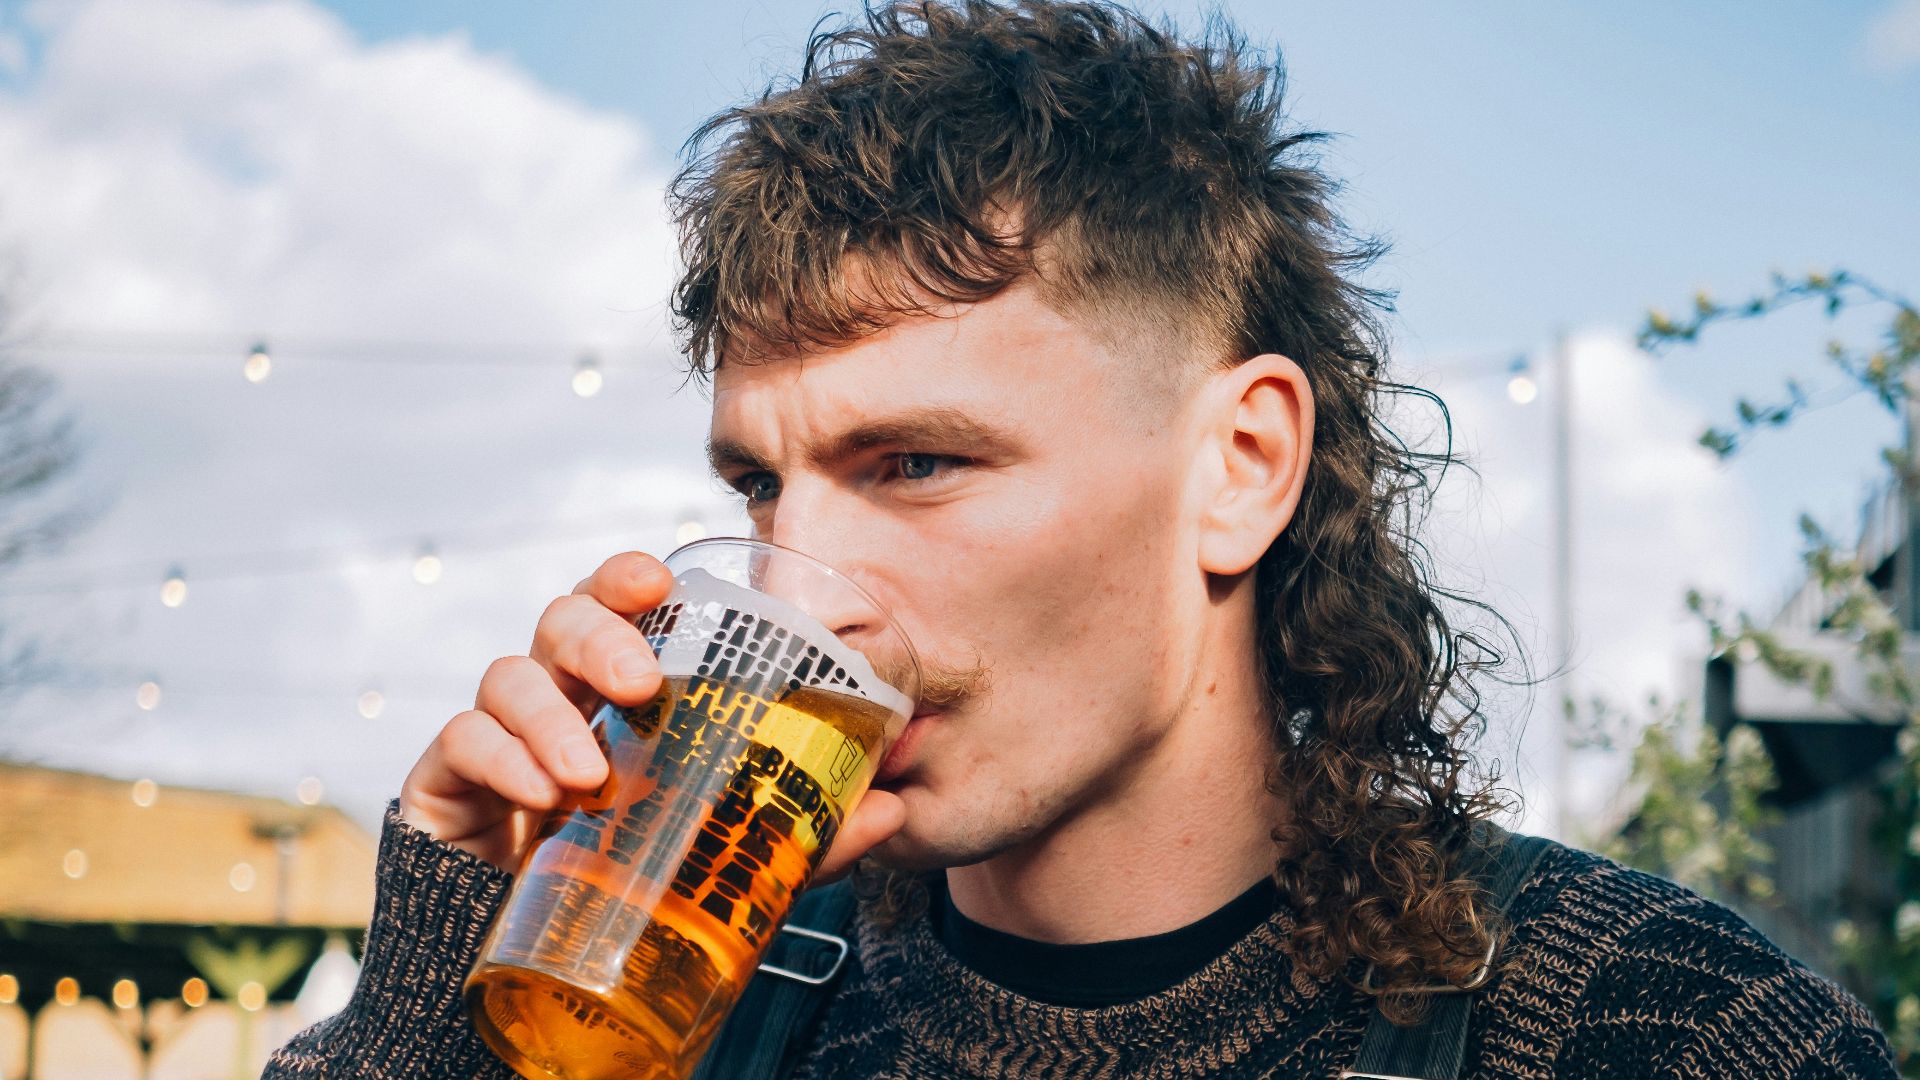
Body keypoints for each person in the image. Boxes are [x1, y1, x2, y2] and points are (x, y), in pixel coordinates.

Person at [267, 2, 1899, 1077]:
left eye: (914, 461)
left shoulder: (1638, 1027)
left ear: (1240, 470)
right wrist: (441, 992)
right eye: (760, 487)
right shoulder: (703, 1017)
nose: (790, 588)